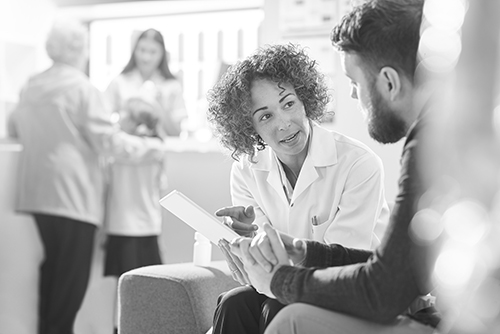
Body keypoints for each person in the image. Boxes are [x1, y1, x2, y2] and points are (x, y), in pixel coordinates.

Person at [224, 0, 442, 333]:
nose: (354, 97)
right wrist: (300, 251)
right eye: (266, 115)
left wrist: (282, 280)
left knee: (286, 315)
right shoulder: (437, 135)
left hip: (415, 310)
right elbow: (395, 269)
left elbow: (383, 288)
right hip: (391, 294)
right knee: (234, 304)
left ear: (388, 82)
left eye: (355, 83)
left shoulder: (425, 148)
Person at [206, 43, 390, 334]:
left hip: (351, 291)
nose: (284, 123)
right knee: (232, 303)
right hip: (285, 286)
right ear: (249, 127)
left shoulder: (358, 164)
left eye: (288, 103)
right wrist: (245, 244)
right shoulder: (245, 170)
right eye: (265, 116)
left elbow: (339, 265)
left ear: (305, 100)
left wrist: (270, 263)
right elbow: (261, 272)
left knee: (279, 308)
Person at [7, 19, 165, 334]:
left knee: (53, 274)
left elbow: (14, 128)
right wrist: (150, 148)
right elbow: (109, 142)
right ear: (79, 50)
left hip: (36, 194)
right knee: (70, 281)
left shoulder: (31, 85)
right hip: (73, 196)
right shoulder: (82, 87)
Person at [102, 95, 167, 334]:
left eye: (124, 115)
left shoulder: (151, 147)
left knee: (139, 290)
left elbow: (124, 147)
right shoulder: (130, 148)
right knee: (126, 291)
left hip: (140, 228)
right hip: (125, 227)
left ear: (140, 124)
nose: (118, 118)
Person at [105, 28, 187, 137]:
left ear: (162, 54)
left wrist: (161, 106)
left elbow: (177, 133)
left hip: (161, 150)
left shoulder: (172, 86)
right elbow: (102, 118)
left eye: (153, 52)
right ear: (134, 50)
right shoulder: (119, 82)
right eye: (142, 50)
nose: (146, 57)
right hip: (127, 149)